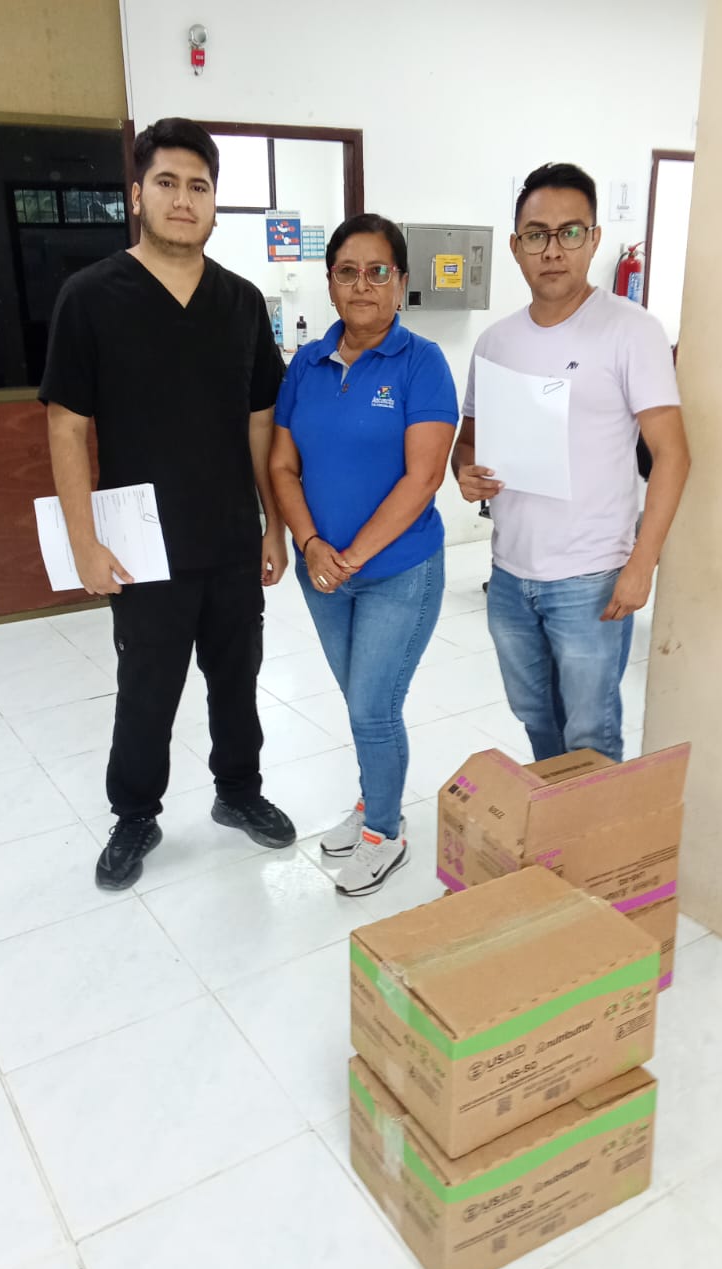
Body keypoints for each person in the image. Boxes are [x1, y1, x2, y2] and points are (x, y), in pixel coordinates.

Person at [40, 117, 296, 890]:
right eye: (167, 183)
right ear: (137, 195)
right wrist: (84, 542)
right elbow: (67, 426)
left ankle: (239, 791)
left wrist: (272, 525)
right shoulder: (91, 297)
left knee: (237, 680)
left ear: (214, 202)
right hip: (141, 544)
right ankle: (135, 815)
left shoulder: (241, 302)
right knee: (147, 690)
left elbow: (260, 422)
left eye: (198, 186)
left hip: (230, 534)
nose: (183, 200)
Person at [453, 162, 690, 763]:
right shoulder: (496, 342)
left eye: (570, 232)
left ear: (594, 238)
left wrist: (642, 565)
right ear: (516, 247)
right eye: (537, 235)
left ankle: (595, 828)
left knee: (591, 731)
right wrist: (464, 472)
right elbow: (468, 440)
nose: (553, 250)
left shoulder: (630, 331)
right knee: (535, 717)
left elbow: (672, 455)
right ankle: (556, 818)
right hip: (510, 574)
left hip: (592, 576)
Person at [270, 213, 458, 895]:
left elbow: (424, 478)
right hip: (322, 574)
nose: (362, 285)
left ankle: (385, 832)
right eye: (347, 272)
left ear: (400, 282)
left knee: (373, 707)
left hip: (398, 572)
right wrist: (310, 544)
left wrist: (348, 556)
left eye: (378, 271)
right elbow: (282, 466)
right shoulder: (306, 365)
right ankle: (374, 799)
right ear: (330, 283)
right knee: (361, 703)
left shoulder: (422, 364)